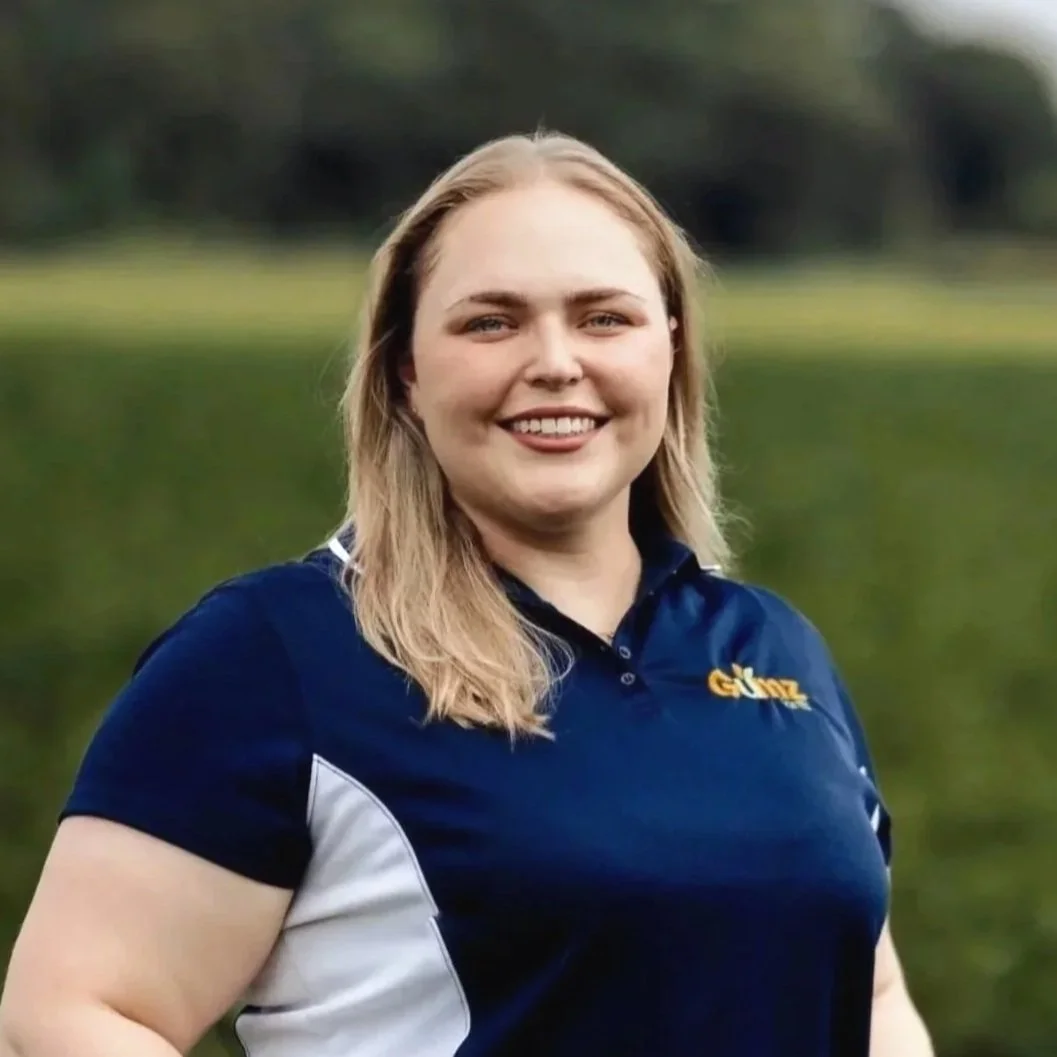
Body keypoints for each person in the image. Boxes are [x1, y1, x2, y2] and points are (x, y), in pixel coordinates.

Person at [0, 131, 932, 1057]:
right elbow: (63, 1017)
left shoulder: (772, 647)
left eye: (604, 318)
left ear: (671, 348)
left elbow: (871, 993)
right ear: (405, 368)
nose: (555, 361)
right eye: (491, 322)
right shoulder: (273, 655)